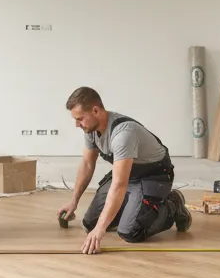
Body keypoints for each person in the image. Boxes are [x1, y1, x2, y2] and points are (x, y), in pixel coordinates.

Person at [57, 86, 192, 254]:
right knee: (90, 224)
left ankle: (172, 205)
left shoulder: (123, 134)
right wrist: (74, 202)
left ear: (95, 111)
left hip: (153, 175)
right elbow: (87, 164)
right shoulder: (90, 129)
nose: (77, 124)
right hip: (128, 175)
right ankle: (134, 206)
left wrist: (100, 231)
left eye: (80, 119)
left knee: (130, 232)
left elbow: (119, 185)